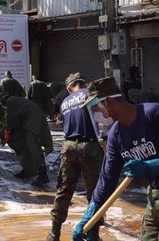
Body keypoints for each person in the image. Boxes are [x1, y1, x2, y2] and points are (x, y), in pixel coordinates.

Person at [73, 77, 159, 241]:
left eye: (95, 107)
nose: (96, 114)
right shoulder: (116, 134)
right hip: (155, 196)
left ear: (107, 102)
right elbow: (107, 177)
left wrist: (152, 166)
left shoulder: (154, 113)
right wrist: (90, 215)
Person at [48, 73, 103, 241]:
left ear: (68, 88)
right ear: (83, 83)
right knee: (95, 192)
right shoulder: (90, 94)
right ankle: (93, 233)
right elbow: (102, 118)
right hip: (90, 147)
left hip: (68, 147)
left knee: (64, 189)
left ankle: (54, 233)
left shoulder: (65, 102)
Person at [0, 92, 53, 187]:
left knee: (34, 148)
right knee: (25, 146)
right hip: (30, 121)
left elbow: (9, 120)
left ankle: (43, 175)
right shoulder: (16, 100)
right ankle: (28, 170)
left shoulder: (10, 102)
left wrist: (5, 135)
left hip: (33, 123)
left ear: (3, 100)